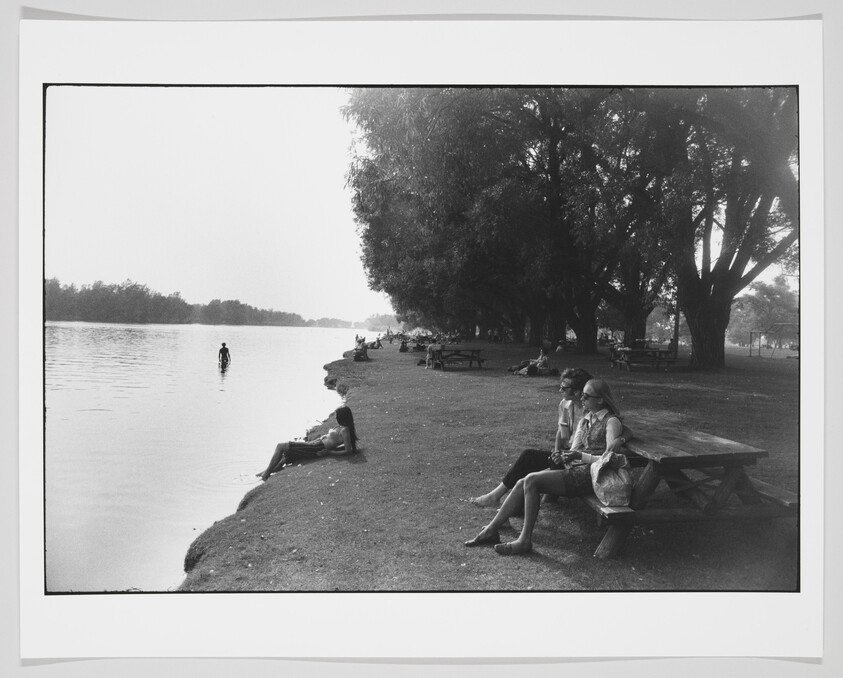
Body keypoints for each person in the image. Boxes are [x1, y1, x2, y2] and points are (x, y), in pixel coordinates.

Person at [464, 378, 627, 555]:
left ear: (600, 400)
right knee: (522, 482)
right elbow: (574, 450)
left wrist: (580, 456)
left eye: (586, 396)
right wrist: (563, 456)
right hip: (578, 469)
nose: (582, 399)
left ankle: (524, 540)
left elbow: (609, 458)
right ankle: (491, 530)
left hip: (595, 476)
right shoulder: (586, 420)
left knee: (532, 481)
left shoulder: (611, 422)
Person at [469, 369, 630, 507]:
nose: (560, 390)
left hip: (580, 459)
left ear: (577, 391)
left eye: (563, 387)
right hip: (570, 454)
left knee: (530, 465)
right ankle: (502, 500)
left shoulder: (592, 412)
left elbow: (621, 427)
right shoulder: (565, 405)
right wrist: (557, 450)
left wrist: (620, 439)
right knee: (529, 459)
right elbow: (561, 432)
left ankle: (500, 499)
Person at [257, 406, 359, 481]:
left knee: (281, 446)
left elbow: (348, 450)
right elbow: (344, 447)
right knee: (284, 458)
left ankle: (265, 475)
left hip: (317, 447)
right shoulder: (340, 427)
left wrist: (329, 453)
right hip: (315, 444)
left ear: (343, 417)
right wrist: (332, 449)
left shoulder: (345, 430)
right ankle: (261, 475)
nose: (336, 418)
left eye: (337, 416)